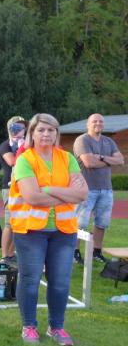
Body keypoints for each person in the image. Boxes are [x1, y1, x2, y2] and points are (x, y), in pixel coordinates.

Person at [8, 113, 88, 346]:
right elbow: (32, 197)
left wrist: (48, 189)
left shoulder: (67, 158)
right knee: (31, 279)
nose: (46, 134)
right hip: (30, 231)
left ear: (56, 134)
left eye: (51, 130)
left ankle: (56, 327)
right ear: (32, 134)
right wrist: (66, 193)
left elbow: (82, 194)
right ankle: (29, 326)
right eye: (41, 130)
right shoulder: (25, 159)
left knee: (61, 282)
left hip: (64, 231)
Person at [72, 113, 124, 264]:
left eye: (101, 121)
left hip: (106, 189)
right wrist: (109, 161)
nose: (98, 123)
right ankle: (75, 252)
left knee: (102, 223)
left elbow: (120, 160)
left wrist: (100, 157)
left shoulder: (108, 141)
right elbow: (89, 163)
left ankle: (97, 252)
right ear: (88, 124)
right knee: (79, 223)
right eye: (94, 121)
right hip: (86, 189)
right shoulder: (82, 140)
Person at [0, 116, 26, 265]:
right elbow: (12, 161)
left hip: (24, 185)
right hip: (10, 187)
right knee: (9, 223)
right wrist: (21, 147)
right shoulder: (5, 145)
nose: (21, 130)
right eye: (17, 127)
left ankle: (11, 253)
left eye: (23, 127)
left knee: (19, 222)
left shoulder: (27, 144)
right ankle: (4, 256)